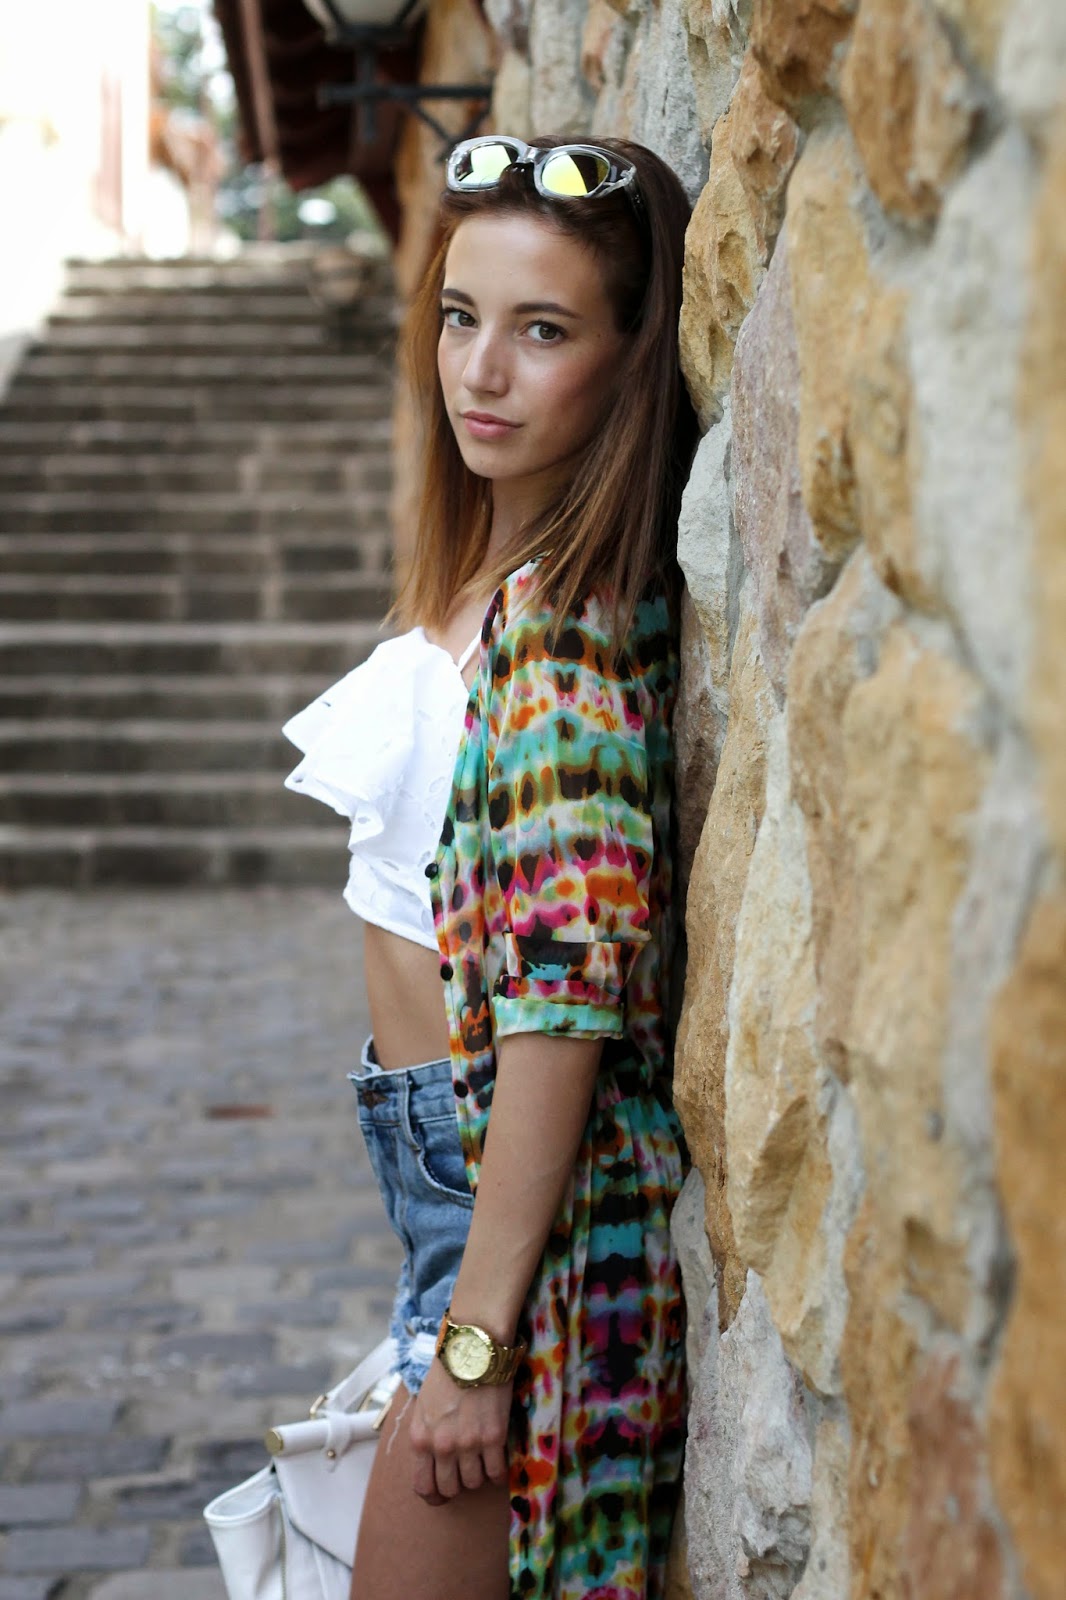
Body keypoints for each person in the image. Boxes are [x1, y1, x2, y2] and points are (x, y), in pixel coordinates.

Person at [281, 133, 697, 1600]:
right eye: (461, 317)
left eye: (544, 331)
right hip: (446, 1199)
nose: (482, 371)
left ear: (628, 361)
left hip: (514, 1229)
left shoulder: (564, 651)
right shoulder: (486, 583)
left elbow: (560, 1012)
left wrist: (475, 1342)